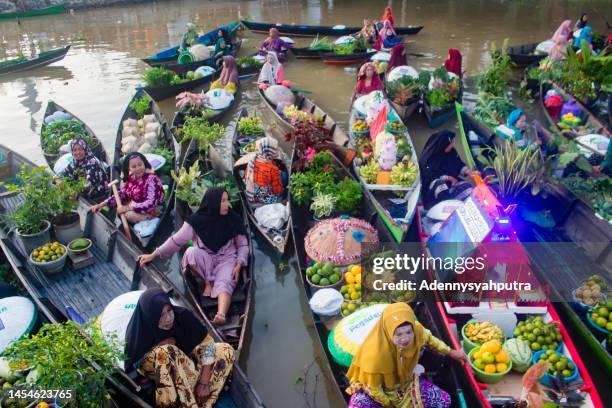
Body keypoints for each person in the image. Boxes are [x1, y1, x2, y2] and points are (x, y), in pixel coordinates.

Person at [139, 188, 249, 326]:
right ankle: (208, 282)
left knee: (225, 281)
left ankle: (221, 314)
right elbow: (176, 241)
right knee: (191, 252)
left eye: (227, 200)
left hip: (227, 259)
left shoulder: (232, 219)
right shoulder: (196, 221)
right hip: (206, 258)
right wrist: (153, 255)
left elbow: (243, 245)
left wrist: (239, 263)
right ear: (213, 203)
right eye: (223, 201)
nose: (227, 205)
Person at [124, 288, 235, 408]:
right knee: (165, 352)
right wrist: (161, 346)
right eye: (161, 315)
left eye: (169, 310)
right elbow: (134, 367)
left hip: (187, 366)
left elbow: (208, 345)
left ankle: (203, 404)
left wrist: (204, 382)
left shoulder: (182, 315)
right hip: (162, 371)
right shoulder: (139, 332)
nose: (168, 318)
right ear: (151, 317)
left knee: (225, 349)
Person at [345, 303, 466, 408]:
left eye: (408, 332)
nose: (405, 339)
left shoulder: (417, 330)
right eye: (398, 334)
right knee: (358, 403)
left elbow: (431, 340)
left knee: (443, 400)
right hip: (379, 391)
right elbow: (374, 389)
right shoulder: (374, 356)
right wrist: (389, 404)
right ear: (388, 332)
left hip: (405, 382)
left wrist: (451, 352)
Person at [91, 152, 164, 223]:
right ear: (129, 169)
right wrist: (102, 204)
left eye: (140, 165)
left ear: (144, 164)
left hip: (154, 208)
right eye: (134, 167)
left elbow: (151, 203)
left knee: (128, 215)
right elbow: (123, 193)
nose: (138, 168)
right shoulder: (132, 177)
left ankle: (151, 218)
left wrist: (128, 208)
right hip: (138, 203)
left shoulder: (151, 179)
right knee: (118, 208)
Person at [419, 130, 480, 208]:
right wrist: (448, 178)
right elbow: (429, 177)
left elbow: (458, 164)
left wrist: (469, 172)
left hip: (451, 184)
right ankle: (444, 209)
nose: (452, 145)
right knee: (440, 186)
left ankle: (459, 206)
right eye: (451, 143)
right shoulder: (430, 158)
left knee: (468, 187)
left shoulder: (451, 151)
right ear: (443, 144)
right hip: (434, 188)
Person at [244, 137, 284, 204]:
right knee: (284, 176)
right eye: (275, 149)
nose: (276, 151)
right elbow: (276, 190)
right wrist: (281, 191)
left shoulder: (252, 161)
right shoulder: (273, 169)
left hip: (253, 196)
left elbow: (246, 178)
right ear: (270, 151)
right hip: (266, 199)